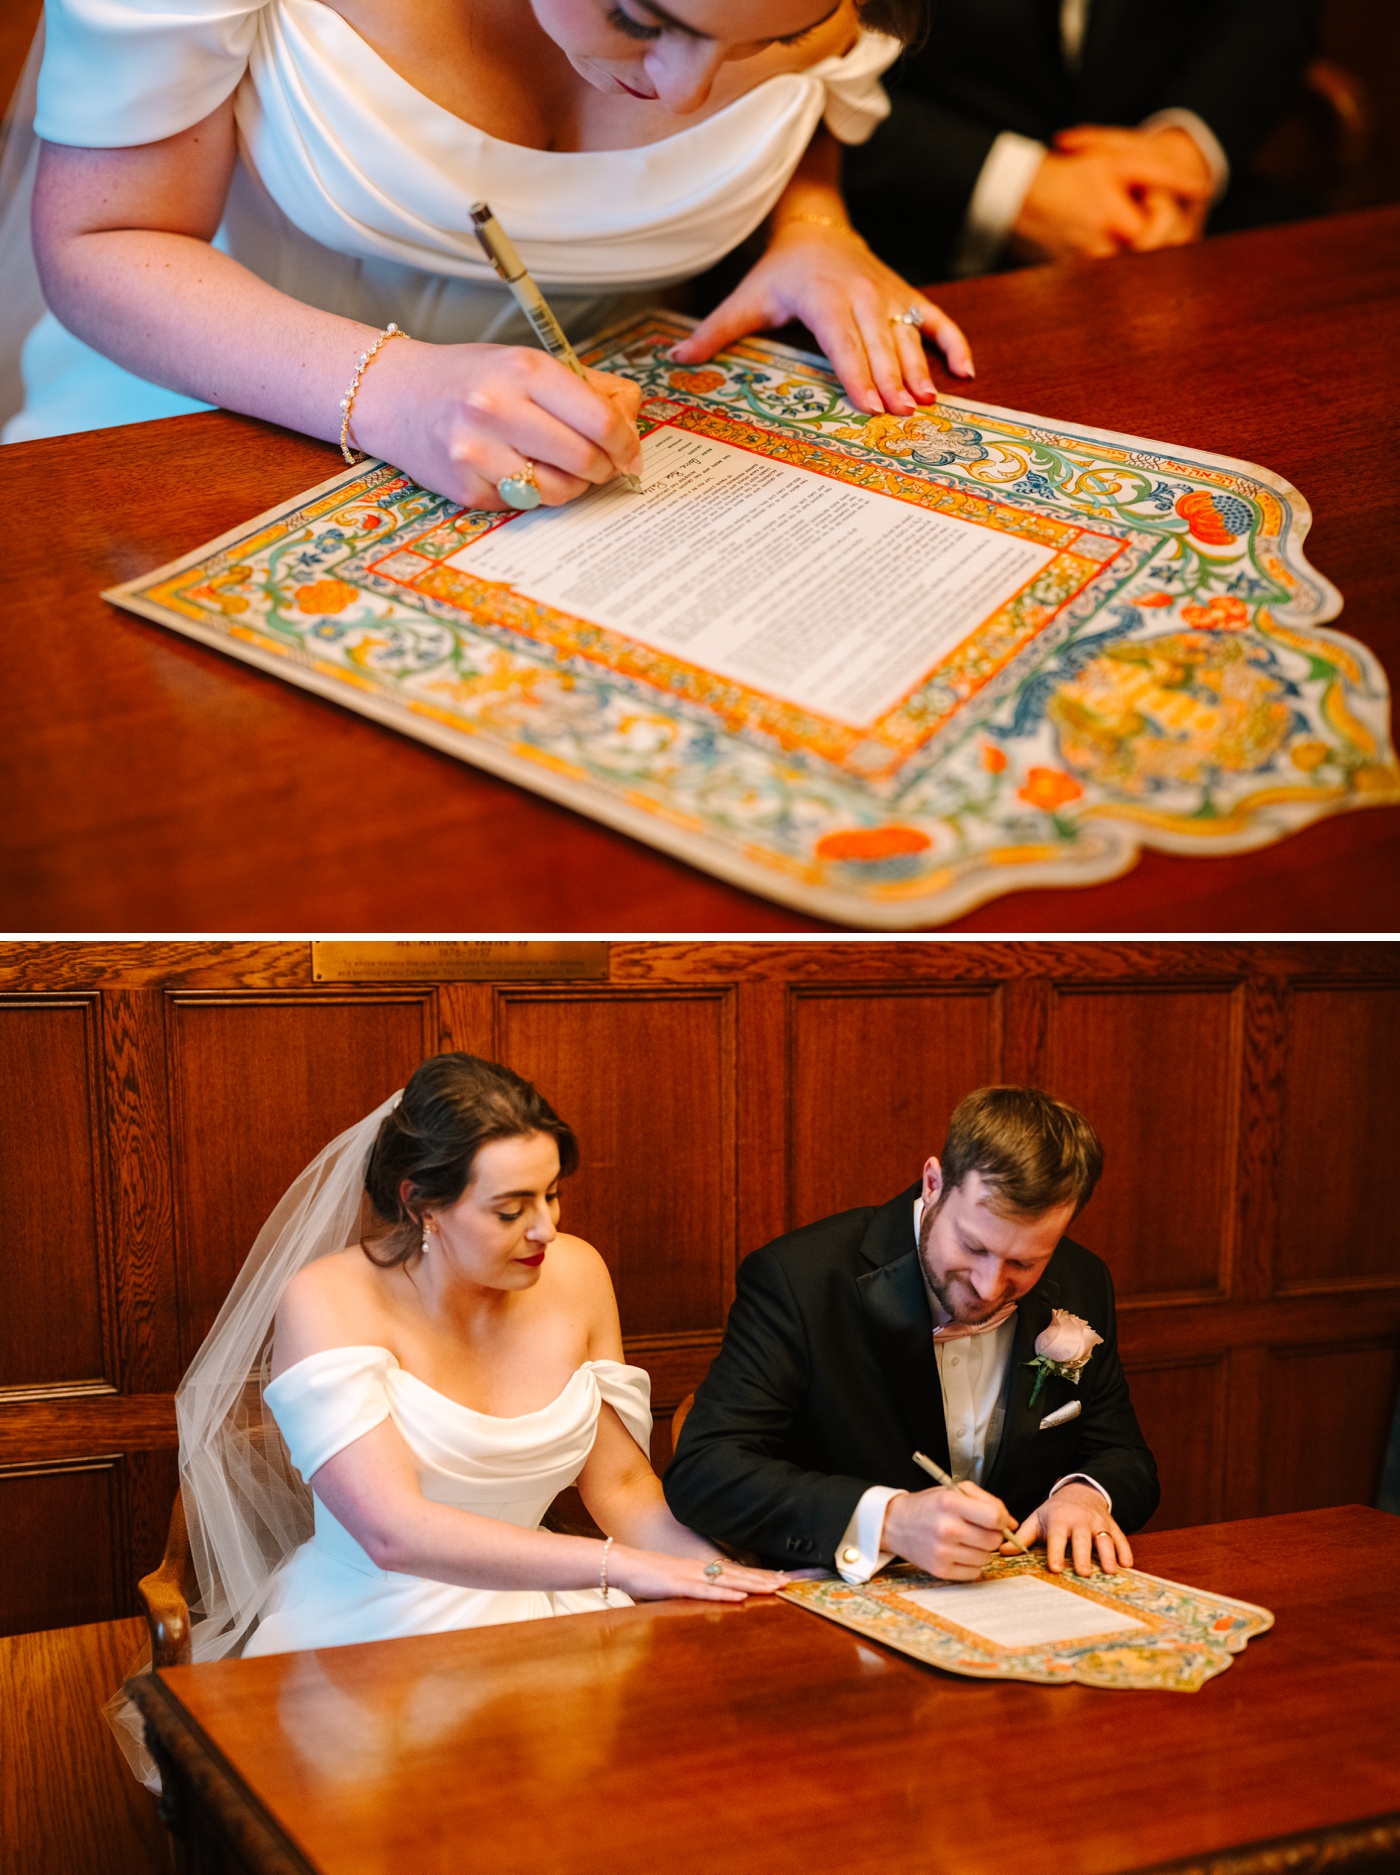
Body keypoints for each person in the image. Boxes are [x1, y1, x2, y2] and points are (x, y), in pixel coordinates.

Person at [2, 0, 975, 484]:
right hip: (186, 436)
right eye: (639, 17)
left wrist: (813, 224)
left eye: (762, 41)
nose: (681, 91)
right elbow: (104, 237)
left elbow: (827, 94)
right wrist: (389, 391)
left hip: (559, 473)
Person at [178, 1055, 786, 1667]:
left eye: (552, 1195)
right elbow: (393, 1531)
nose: (545, 1229)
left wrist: (722, 1576)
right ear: (421, 1205)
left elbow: (622, 1487)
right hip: (373, 1628)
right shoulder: (326, 1299)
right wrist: (621, 1568)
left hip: (544, 1614)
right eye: (510, 1210)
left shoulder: (576, 1273)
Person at [664, 1085, 1158, 1583]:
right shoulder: (801, 1279)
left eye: (1024, 1262)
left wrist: (1084, 1493)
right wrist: (888, 1521)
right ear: (933, 1183)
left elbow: (1124, 1455)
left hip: (1023, 1597)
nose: (990, 1286)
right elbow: (705, 1472)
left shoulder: (1081, 1279)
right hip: (842, 1603)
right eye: (972, 1245)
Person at [842, 0, 1315, 285]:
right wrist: (1014, 187)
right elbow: (784, 57)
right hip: (903, 227)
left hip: (1172, 216)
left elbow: (1264, 15)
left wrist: (1182, 148)